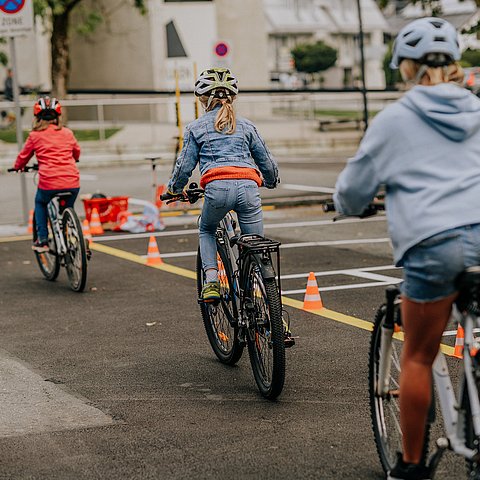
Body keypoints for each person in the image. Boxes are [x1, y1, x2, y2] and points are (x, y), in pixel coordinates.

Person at [333, 17, 480, 480]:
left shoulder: (395, 119)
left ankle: (411, 467)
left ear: (405, 66)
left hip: (433, 244)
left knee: (418, 353)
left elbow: (354, 191)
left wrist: (347, 206)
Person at [166, 68, 279, 301]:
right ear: (233, 98)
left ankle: (211, 281)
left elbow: (184, 166)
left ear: (203, 100)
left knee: (207, 228)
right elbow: (265, 161)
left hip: (217, 189)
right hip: (249, 188)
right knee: (256, 247)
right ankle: (269, 308)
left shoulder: (196, 127)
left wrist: (174, 189)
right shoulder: (247, 126)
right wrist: (270, 180)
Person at [12, 97, 81, 252]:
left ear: (37, 117)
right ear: (58, 117)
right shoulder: (67, 133)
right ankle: (74, 236)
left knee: (40, 203)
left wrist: (18, 167)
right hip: (72, 181)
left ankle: (42, 240)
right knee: (67, 208)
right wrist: (75, 159)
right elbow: (77, 152)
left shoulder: (35, 136)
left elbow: (23, 157)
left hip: (49, 183)